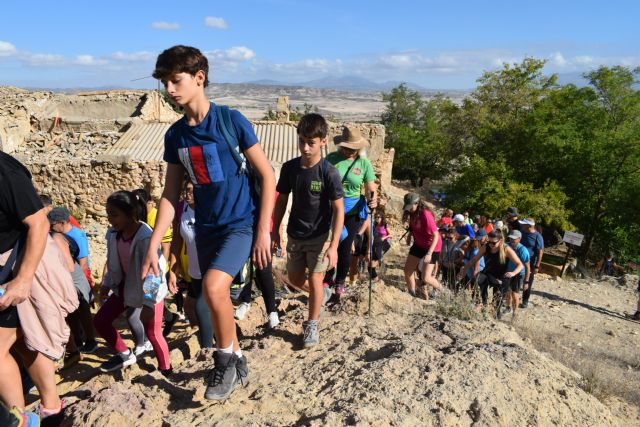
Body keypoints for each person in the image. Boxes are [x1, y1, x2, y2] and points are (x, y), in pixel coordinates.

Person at [143, 45, 276, 401]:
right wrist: (154, 244)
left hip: (241, 225)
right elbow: (171, 194)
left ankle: (225, 362)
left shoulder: (231, 121)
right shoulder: (175, 136)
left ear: (199, 78)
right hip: (206, 229)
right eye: (164, 83)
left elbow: (267, 174)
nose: (169, 90)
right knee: (210, 297)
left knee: (216, 290)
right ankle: (237, 358)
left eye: (175, 80)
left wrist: (264, 230)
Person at [0, 151, 79, 422]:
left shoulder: (5, 173)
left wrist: (22, 280)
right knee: (25, 341)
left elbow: (38, 223)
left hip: (16, 268)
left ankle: (18, 419)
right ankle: (51, 408)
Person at [272, 113, 344, 347]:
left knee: (315, 278)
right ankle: (321, 296)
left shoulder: (329, 172)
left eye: (311, 142)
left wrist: (333, 246)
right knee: (294, 278)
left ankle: (311, 324)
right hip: (295, 234)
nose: (305, 147)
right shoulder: (290, 169)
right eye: (301, 141)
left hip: (320, 237)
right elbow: (281, 201)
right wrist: (275, 231)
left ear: (323, 141)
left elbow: (339, 211)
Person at [94, 191, 171, 376]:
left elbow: (156, 271)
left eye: (114, 214)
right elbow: (113, 261)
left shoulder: (146, 238)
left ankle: (166, 370)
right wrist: (106, 283)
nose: (110, 219)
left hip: (149, 291)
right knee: (100, 320)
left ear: (130, 214)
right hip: (126, 285)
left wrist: (148, 302)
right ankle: (125, 353)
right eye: (108, 214)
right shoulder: (114, 234)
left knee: (152, 333)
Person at [323, 125, 377, 299]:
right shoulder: (331, 159)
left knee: (346, 247)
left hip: (353, 210)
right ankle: (327, 278)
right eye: (346, 148)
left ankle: (340, 282)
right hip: (332, 207)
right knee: (332, 243)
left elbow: (370, 185)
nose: (349, 152)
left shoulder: (363, 163)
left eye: (353, 149)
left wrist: (372, 197)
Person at [169, 180, 214, 348]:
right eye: (184, 190)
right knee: (189, 308)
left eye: (190, 191)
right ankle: (208, 335)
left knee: (202, 308)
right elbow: (177, 241)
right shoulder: (181, 209)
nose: (186, 194)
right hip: (194, 271)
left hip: (212, 269)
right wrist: (173, 269)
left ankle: (207, 351)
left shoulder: (210, 209)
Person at [459, 231, 523, 311]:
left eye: (493, 243)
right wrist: (465, 269)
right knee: (477, 278)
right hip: (488, 273)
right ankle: (482, 304)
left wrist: (513, 273)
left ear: (500, 241)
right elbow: (475, 259)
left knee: (497, 304)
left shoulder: (506, 249)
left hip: (502, 277)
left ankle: (497, 313)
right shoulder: (486, 247)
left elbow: (520, 264)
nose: (491, 244)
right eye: (489, 241)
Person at [402, 193, 442, 300]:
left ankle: (443, 292)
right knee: (407, 270)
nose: (409, 209)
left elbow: (436, 235)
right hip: (419, 244)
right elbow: (413, 228)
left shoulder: (426, 215)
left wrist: (429, 253)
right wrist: (410, 236)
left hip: (432, 245)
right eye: (407, 207)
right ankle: (412, 294)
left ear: (417, 203)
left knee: (426, 277)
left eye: (411, 206)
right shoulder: (412, 213)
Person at [48, 207, 94, 289]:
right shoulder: (59, 233)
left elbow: (83, 263)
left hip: (79, 275)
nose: (50, 227)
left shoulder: (78, 236)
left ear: (62, 223)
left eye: (52, 224)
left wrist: (73, 282)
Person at [518, 218, 544, 308]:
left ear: (529, 226)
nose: (522, 225)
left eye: (524, 224)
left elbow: (540, 251)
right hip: (518, 261)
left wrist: (537, 265)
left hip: (530, 263)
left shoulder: (537, 236)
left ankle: (525, 300)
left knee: (527, 282)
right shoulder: (521, 233)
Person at [504, 230, 530, 320]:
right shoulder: (507, 246)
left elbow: (527, 267)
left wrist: (526, 281)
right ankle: (508, 308)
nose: (511, 240)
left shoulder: (523, 250)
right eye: (510, 238)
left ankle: (515, 313)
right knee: (507, 292)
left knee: (515, 294)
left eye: (514, 239)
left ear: (519, 239)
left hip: (519, 274)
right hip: (508, 272)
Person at [370, 208, 392, 283]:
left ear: (382, 218)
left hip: (386, 242)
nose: (377, 219)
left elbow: (391, 234)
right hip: (378, 242)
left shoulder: (385, 225)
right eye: (375, 217)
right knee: (374, 258)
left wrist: (384, 238)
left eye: (378, 217)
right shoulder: (375, 225)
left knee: (378, 253)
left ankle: (382, 264)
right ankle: (378, 273)